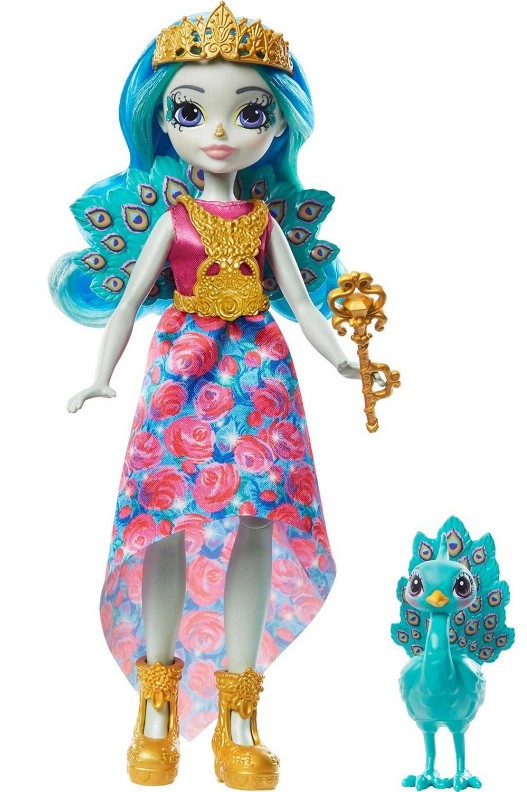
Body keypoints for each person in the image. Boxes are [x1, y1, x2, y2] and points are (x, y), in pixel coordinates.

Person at [51, 3, 360, 788]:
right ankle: (153, 708)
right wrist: (101, 374)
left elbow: (304, 305)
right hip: (182, 370)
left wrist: (340, 358)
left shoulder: (263, 222)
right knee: (164, 525)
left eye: (249, 113)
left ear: (276, 127)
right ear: (163, 122)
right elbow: (128, 302)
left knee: (257, 523)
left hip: (258, 372)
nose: (219, 131)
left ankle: (239, 714)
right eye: (191, 112)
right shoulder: (175, 219)